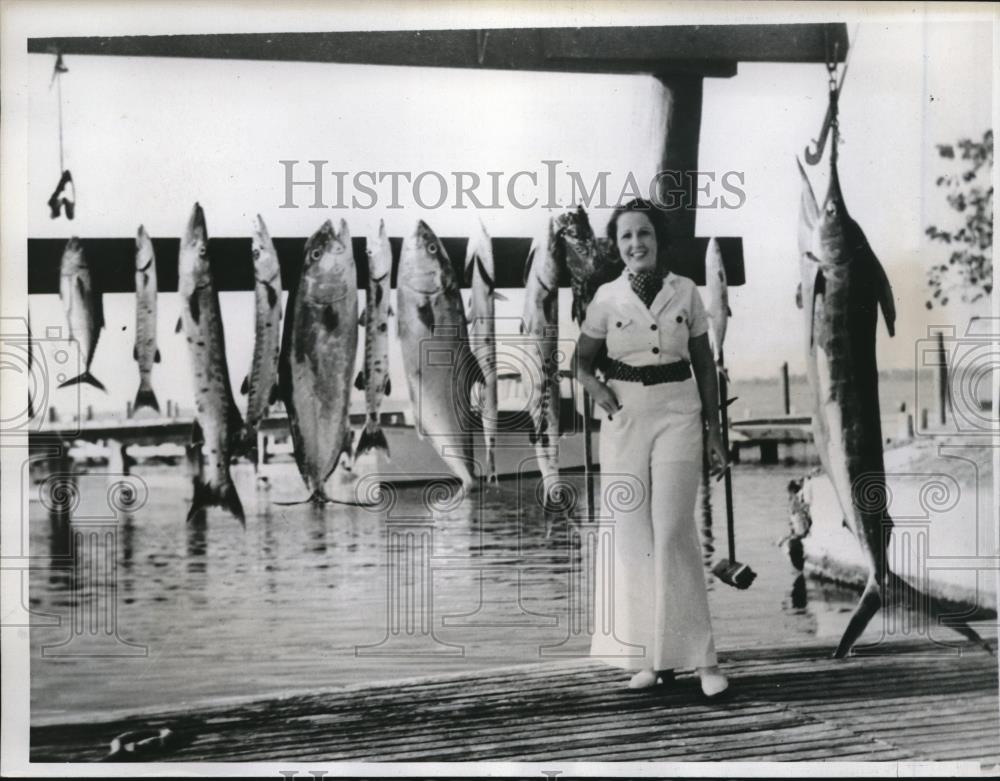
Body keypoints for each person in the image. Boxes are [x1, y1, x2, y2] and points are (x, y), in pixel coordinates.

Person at [576, 198, 729, 698]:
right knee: (632, 535)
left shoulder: (685, 292)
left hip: (679, 414)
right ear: (617, 246)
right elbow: (580, 362)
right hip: (625, 418)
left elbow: (705, 365)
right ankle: (651, 660)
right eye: (626, 237)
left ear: (658, 240)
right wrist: (596, 389)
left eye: (644, 234)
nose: (636, 244)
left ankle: (702, 661)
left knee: (672, 532)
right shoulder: (605, 297)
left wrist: (714, 433)